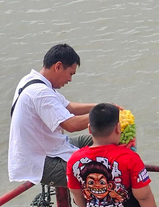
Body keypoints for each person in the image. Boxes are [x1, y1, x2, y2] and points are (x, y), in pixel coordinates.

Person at [9, 44, 103, 187]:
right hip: (41, 161)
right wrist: (104, 115)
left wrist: (101, 106)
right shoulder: (40, 92)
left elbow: (69, 107)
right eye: (71, 73)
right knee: (98, 173)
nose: (70, 79)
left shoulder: (32, 80)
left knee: (99, 139)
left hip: (51, 147)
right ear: (58, 66)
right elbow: (71, 125)